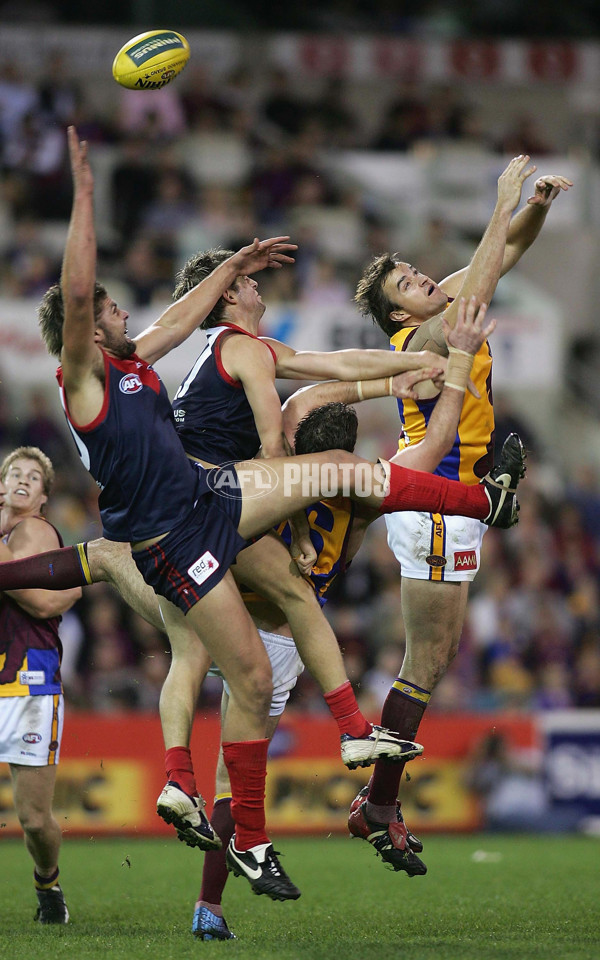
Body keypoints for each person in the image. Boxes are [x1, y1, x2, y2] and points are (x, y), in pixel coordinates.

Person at [1, 127, 524, 904]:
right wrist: (84, 197)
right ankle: (348, 721)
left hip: (201, 513)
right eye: (107, 306)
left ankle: (233, 836)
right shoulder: (95, 375)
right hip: (188, 520)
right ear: (83, 331)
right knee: (281, 566)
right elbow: (86, 299)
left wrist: (234, 269)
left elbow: (248, 339)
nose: (115, 310)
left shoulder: (143, 355)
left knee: (237, 669)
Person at [192, 294, 496, 939]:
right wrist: (454, 364)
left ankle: (209, 904)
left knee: (230, 776)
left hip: (231, 617)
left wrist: (381, 381)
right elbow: (439, 440)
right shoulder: (362, 489)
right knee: (240, 771)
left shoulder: (281, 480)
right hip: (289, 642)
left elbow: (306, 398)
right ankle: (214, 897)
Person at [351, 156, 572, 864]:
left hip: (456, 506)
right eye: (405, 282)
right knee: (424, 660)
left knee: (437, 657)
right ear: (395, 312)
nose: (420, 277)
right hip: (435, 503)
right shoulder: (414, 341)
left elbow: (503, 255)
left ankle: (380, 799)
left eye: (416, 271)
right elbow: (482, 277)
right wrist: (499, 197)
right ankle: (378, 804)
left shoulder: (445, 306)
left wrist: (532, 206)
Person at [0, 446, 81, 925]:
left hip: (27, 681)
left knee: (32, 818)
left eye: (34, 477)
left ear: (45, 497)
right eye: (15, 472)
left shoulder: (35, 531)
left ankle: (47, 879)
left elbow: (40, 602)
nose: (23, 480)